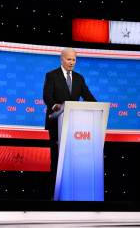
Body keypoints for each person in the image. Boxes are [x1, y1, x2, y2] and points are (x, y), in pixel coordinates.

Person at [42, 47, 96, 198]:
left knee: (72, 159)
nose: (71, 62)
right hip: (56, 122)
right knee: (57, 157)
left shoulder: (79, 78)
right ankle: (55, 192)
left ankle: (72, 191)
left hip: (75, 126)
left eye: (74, 60)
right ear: (62, 59)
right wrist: (55, 106)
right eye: (69, 59)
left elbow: (87, 96)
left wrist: (97, 107)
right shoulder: (51, 75)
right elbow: (47, 96)